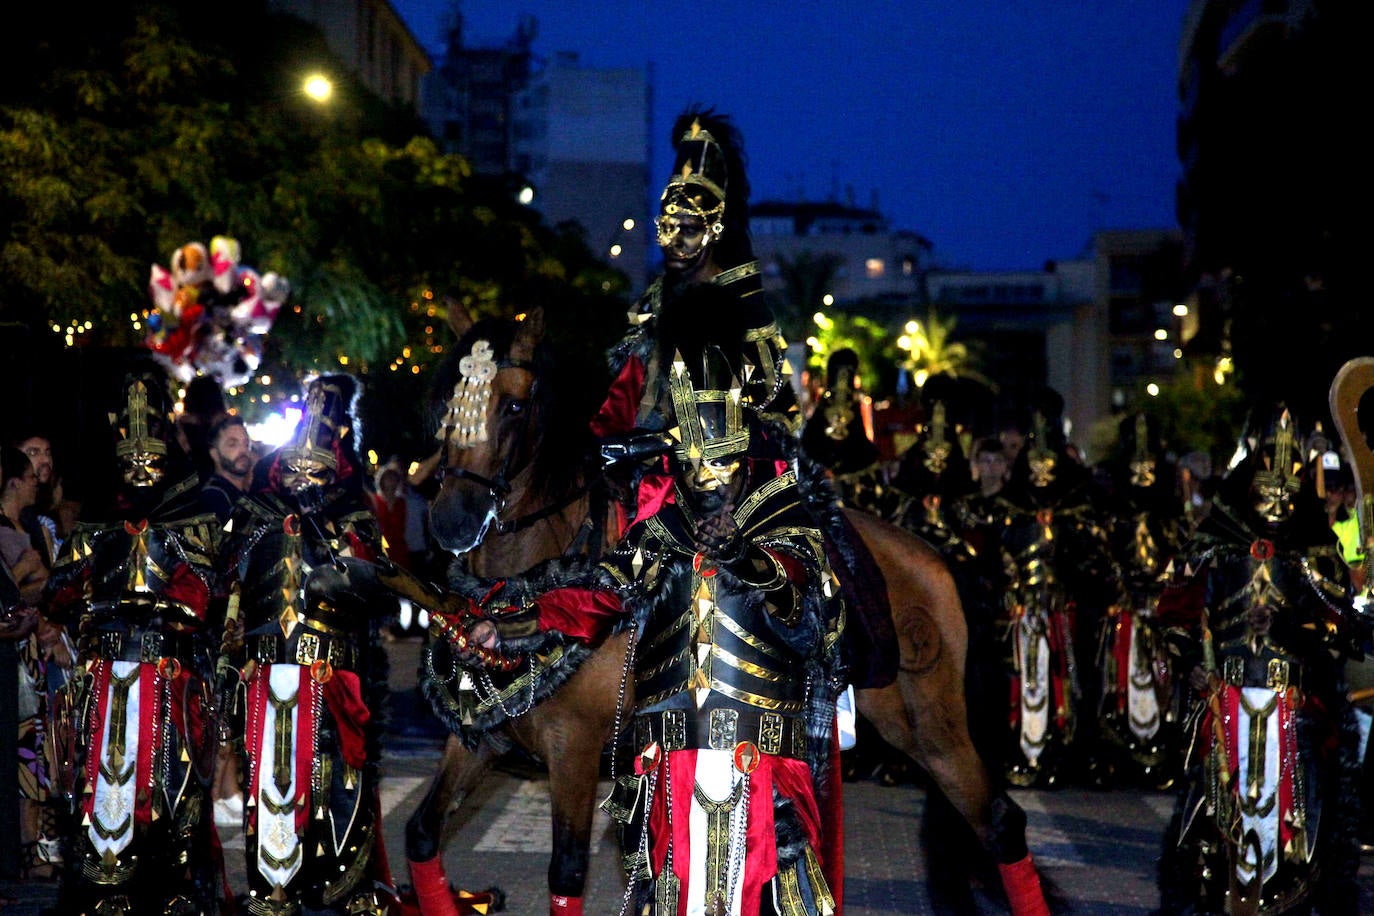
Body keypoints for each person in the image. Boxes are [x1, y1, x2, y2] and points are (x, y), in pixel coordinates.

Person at [441, 313, 845, 916]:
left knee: (769, 892)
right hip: (673, 757)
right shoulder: (663, 527)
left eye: (717, 447)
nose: (704, 463)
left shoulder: (778, 514)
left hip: (759, 760)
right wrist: (512, 625)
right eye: (693, 448)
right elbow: (598, 595)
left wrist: (744, 555)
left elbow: (808, 593)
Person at [1156, 405, 1368, 914]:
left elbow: (1342, 621)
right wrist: (1190, 663)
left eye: (1285, 492)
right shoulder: (1215, 542)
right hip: (1223, 693)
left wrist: (1319, 623)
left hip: (1290, 703)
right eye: (1266, 488)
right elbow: (1174, 611)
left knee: (1297, 805)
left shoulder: (1315, 552)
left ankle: (1291, 884)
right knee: (1210, 811)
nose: (1275, 500)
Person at [42, 368, 225, 914]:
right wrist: (100, 583)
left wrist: (155, 601)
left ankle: (171, 887)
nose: (142, 471)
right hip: (106, 676)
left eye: (152, 461)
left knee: (172, 784)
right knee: (103, 784)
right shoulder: (93, 528)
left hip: (169, 677)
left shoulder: (192, 522)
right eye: (131, 463)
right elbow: (55, 596)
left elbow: (204, 599)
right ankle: (105, 887)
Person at [218, 374, 397, 914]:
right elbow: (234, 586)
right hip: (267, 664)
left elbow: (374, 582)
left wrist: (336, 538)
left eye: (314, 469)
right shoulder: (256, 511)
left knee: (336, 774)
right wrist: (230, 658)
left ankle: (343, 884)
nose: (303, 477)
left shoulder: (353, 509)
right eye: (295, 468)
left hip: (332, 664)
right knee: (270, 775)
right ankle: (273, 884)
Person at [198, 412, 253, 520]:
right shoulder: (213, 498)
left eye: (246, 444)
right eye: (232, 444)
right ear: (214, 454)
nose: (243, 450)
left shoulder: (244, 493)